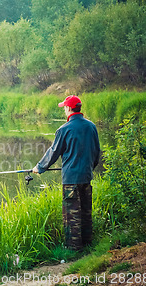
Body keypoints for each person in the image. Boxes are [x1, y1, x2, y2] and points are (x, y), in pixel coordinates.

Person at [32, 95, 100, 251]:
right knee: (85, 212)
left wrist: (39, 167)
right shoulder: (91, 127)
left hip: (71, 179)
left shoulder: (64, 129)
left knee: (72, 215)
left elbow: (54, 152)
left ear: (69, 109)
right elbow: (96, 152)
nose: (64, 110)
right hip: (86, 176)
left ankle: (73, 248)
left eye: (64, 107)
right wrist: (89, 168)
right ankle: (88, 243)